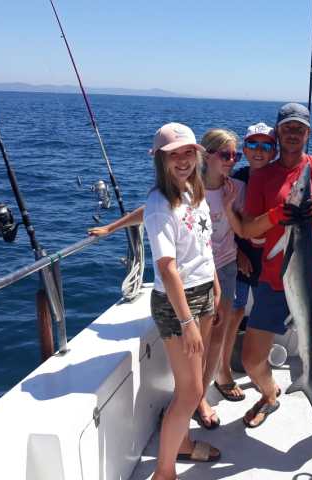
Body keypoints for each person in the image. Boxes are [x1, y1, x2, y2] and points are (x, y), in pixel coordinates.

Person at [95, 122, 222, 480]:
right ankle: (164, 472)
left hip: (202, 293)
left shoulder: (190, 190)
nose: (182, 160)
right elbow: (166, 269)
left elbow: (198, 240)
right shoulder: (160, 202)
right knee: (191, 391)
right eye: (173, 155)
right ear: (160, 161)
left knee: (192, 385)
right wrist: (186, 323)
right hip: (177, 304)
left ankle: (182, 445)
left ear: (196, 156)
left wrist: (113, 226)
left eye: (187, 153)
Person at [240, 103, 312, 448]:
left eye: (300, 128)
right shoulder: (262, 176)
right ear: (278, 132)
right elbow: (248, 229)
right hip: (274, 280)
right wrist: (278, 214)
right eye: (287, 127)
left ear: (308, 133)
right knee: (250, 359)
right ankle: (269, 394)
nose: (293, 133)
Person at [214, 122, 278, 402]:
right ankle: (223, 370)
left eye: (266, 145)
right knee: (234, 313)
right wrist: (239, 252)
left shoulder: (281, 178)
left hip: (272, 262)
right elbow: (228, 221)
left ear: (274, 151)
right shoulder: (236, 180)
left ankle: (260, 369)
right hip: (239, 259)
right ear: (245, 150)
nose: (259, 151)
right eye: (253, 145)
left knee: (267, 317)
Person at [192, 128, 245, 427]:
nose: (231, 160)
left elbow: (241, 229)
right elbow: (152, 211)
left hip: (226, 267)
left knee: (219, 333)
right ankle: (194, 393)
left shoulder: (237, 188)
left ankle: (202, 391)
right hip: (198, 272)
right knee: (200, 337)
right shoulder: (189, 188)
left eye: (235, 155)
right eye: (225, 154)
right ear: (206, 155)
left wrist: (227, 206)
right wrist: (111, 228)